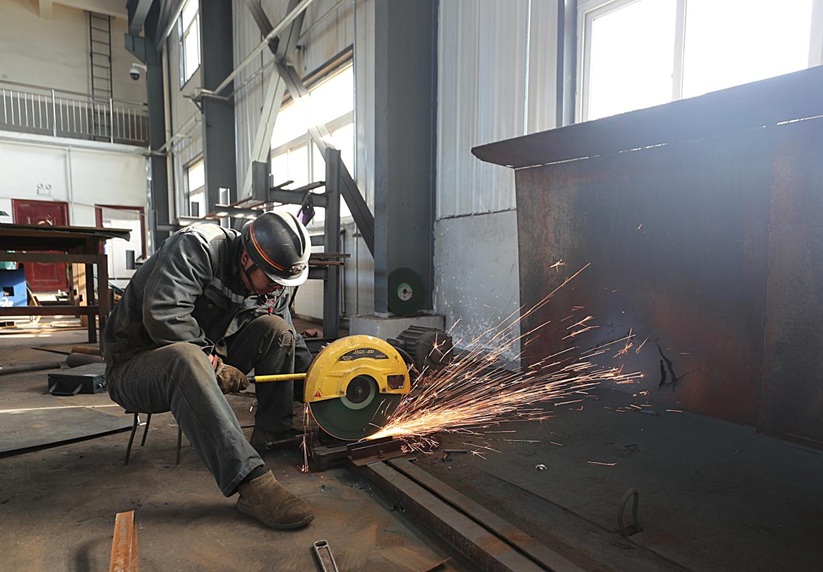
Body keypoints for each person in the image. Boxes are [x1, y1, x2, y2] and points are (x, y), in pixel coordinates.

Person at [103, 211, 315, 530]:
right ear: (247, 258)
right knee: (187, 358)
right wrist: (214, 365)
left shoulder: (274, 281)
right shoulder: (197, 248)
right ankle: (251, 483)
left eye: (283, 283)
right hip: (134, 367)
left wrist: (321, 385)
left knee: (277, 329)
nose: (277, 289)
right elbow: (164, 313)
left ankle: (273, 433)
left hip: (204, 354)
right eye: (272, 280)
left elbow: (291, 341)